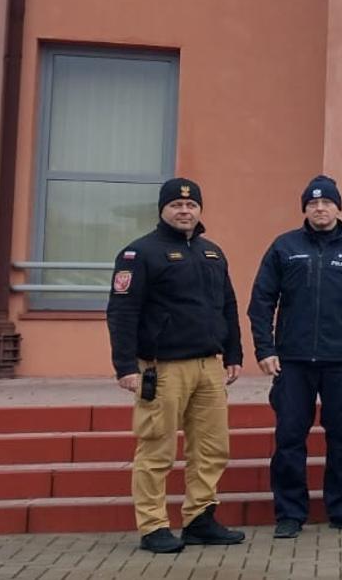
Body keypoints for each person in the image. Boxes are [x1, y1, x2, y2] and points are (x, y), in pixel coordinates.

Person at [106, 177, 247, 554]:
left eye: (191, 205)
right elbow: (122, 312)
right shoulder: (139, 254)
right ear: (162, 209)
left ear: (199, 210)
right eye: (176, 205)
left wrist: (234, 354)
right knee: (157, 448)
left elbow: (228, 306)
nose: (185, 211)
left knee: (212, 448)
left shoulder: (212, 252)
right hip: (162, 368)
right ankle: (153, 525)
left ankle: (200, 519)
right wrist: (125, 366)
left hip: (208, 366)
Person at [248, 175, 342, 538]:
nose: (320, 208)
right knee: (289, 439)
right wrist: (265, 349)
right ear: (305, 210)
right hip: (292, 362)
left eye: (326, 203)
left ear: (338, 207)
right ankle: (290, 514)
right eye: (312, 204)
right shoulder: (284, 247)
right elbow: (261, 302)